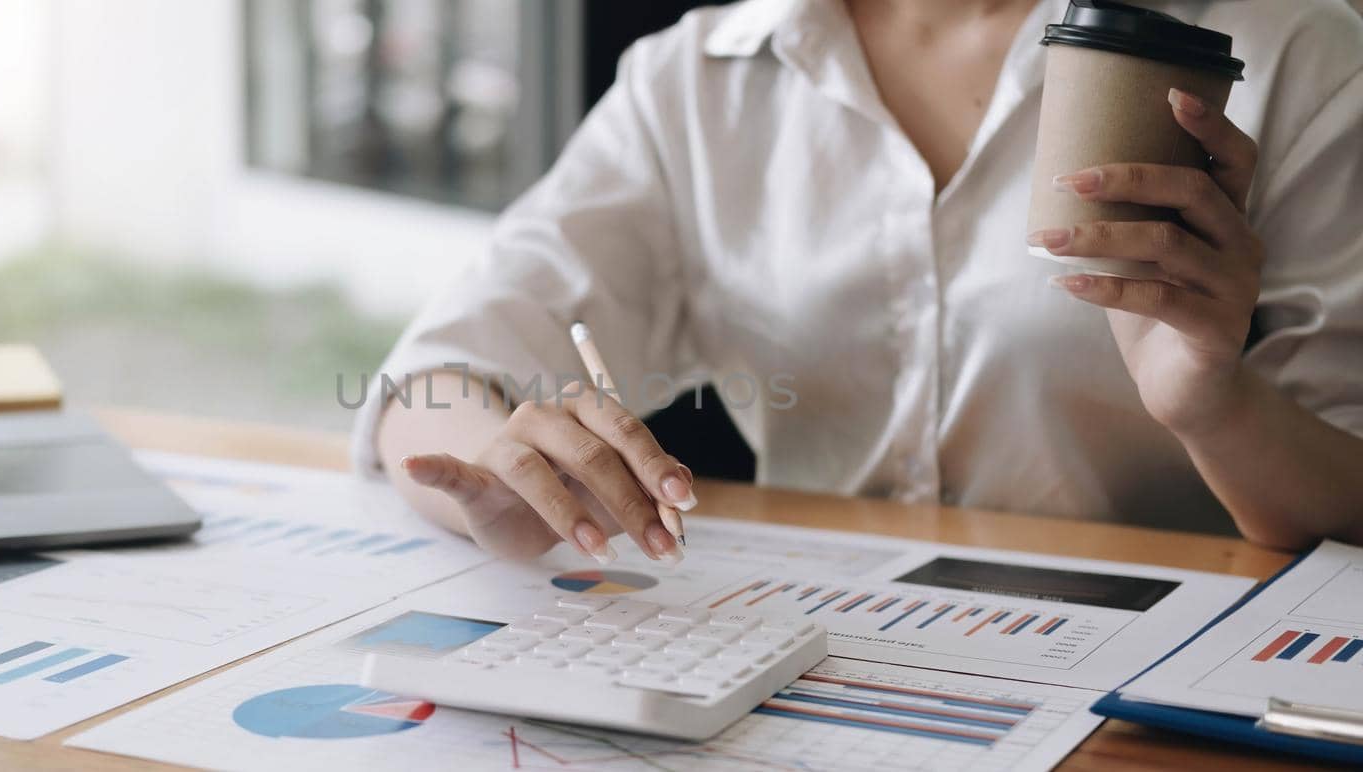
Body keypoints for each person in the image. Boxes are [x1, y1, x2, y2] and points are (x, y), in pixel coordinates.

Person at [353, 0, 1363, 564]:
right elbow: (432, 381)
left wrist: (1208, 401)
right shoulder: (700, 74)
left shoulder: (1287, 50)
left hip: (1151, 683)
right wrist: (496, 466)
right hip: (824, 664)